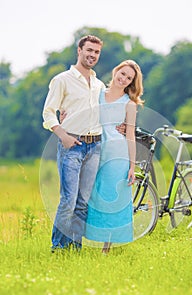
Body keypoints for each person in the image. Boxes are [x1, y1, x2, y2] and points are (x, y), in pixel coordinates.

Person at [42, 35, 105, 251]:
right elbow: (48, 113)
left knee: (82, 203)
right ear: (79, 50)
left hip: (95, 145)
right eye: (88, 50)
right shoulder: (62, 80)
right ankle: (58, 248)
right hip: (72, 145)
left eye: (96, 52)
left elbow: (103, 112)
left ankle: (75, 248)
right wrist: (63, 136)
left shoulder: (98, 84)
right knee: (68, 200)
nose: (92, 55)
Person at [84, 60, 144, 253]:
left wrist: (132, 166)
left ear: (132, 83)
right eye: (123, 73)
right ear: (116, 70)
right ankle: (83, 236)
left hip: (117, 154)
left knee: (110, 195)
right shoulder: (98, 93)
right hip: (94, 147)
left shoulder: (130, 104)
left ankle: (106, 246)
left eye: (129, 78)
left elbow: (130, 135)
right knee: (91, 194)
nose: (123, 79)